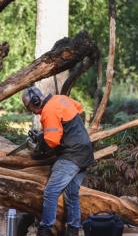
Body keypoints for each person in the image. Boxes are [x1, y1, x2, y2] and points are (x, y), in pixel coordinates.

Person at [22, 86, 95, 236]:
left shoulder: (49, 111)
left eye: (29, 107)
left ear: (35, 102)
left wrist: (39, 146)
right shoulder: (60, 99)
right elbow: (76, 111)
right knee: (71, 193)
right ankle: (73, 230)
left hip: (72, 155)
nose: (31, 111)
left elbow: (52, 142)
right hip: (85, 152)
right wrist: (44, 134)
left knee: (50, 191)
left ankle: (45, 229)